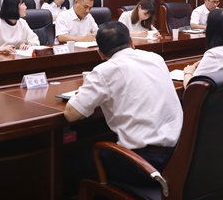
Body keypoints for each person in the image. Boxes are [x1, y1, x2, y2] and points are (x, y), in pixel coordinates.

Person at [64, 21, 183, 187]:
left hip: (144, 164)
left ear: (100, 53)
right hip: (179, 157)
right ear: (131, 42)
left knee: (76, 161)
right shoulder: (156, 58)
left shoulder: (105, 70)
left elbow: (71, 114)